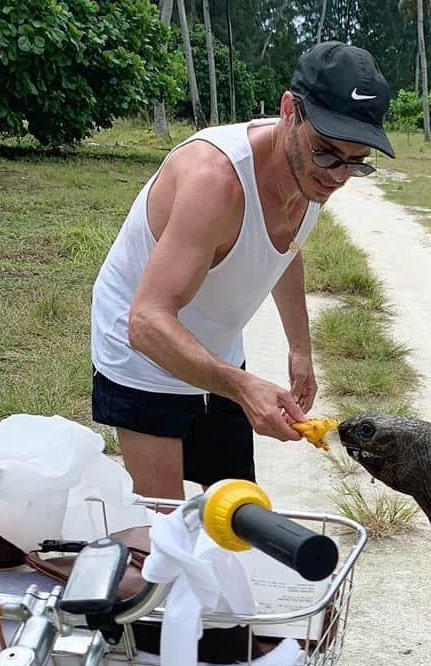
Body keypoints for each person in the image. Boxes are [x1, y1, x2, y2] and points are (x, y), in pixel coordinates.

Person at [90, 41, 395, 499]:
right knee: (165, 532)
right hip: (145, 355)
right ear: (290, 110)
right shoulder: (216, 182)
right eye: (328, 153)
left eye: (356, 163)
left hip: (216, 348)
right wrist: (242, 387)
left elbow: (285, 250)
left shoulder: (307, 179)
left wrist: (300, 349)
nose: (336, 175)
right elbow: (145, 321)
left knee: (235, 514)